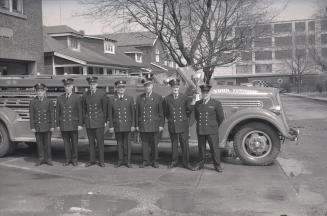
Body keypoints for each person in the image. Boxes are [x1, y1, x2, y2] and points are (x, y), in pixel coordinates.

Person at [163, 78, 195, 171]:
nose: (175, 88)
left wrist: (193, 102)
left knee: (185, 144)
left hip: (183, 125)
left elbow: (188, 110)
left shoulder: (184, 97)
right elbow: (166, 112)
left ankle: (186, 162)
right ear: (171, 88)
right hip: (173, 124)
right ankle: (174, 161)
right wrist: (171, 119)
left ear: (179, 87)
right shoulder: (167, 99)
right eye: (173, 87)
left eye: (177, 87)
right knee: (174, 144)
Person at [193, 84, 224, 172]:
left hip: (212, 130)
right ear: (201, 93)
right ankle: (200, 164)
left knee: (214, 148)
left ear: (210, 93)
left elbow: (220, 117)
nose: (205, 94)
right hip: (201, 129)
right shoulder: (197, 103)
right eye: (203, 93)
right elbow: (196, 116)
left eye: (207, 93)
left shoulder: (216, 103)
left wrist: (214, 125)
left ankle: (217, 165)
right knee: (201, 148)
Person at [136, 78, 164, 168]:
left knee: (154, 144)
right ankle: (145, 161)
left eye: (149, 86)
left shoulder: (158, 97)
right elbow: (137, 113)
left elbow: (161, 113)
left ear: (152, 86)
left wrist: (161, 125)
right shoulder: (140, 97)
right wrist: (137, 125)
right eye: (146, 86)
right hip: (143, 124)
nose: (147, 87)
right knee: (144, 144)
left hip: (154, 124)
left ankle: (155, 161)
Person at [108, 80, 135, 168]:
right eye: (119, 87)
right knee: (119, 144)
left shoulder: (130, 98)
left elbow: (132, 113)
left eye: (122, 87)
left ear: (125, 89)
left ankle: (128, 161)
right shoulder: (112, 99)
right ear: (116, 88)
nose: (121, 89)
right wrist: (111, 126)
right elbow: (110, 114)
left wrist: (133, 125)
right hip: (118, 125)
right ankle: (120, 160)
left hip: (127, 125)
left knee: (127, 144)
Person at [56, 78, 83, 166]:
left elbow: (80, 111)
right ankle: (68, 159)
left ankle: (75, 159)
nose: (67, 88)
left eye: (69, 86)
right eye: (66, 86)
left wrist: (80, 124)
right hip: (64, 124)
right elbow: (58, 112)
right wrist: (58, 124)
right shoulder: (60, 98)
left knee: (75, 143)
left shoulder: (77, 97)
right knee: (66, 143)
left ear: (72, 87)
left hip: (74, 124)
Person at [82, 76, 107, 167]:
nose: (92, 86)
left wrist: (105, 120)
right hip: (89, 122)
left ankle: (101, 161)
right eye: (90, 84)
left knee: (100, 143)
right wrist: (85, 120)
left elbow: (105, 108)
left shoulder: (102, 94)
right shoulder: (85, 95)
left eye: (93, 84)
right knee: (91, 143)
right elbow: (84, 109)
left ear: (96, 84)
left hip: (99, 122)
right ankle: (92, 160)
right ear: (89, 85)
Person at [29, 83, 55, 166]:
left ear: (44, 92)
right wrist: (32, 126)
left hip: (47, 126)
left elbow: (52, 114)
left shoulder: (49, 101)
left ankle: (48, 159)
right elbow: (32, 115)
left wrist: (52, 126)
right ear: (36, 92)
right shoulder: (33, 102)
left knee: (47, 144)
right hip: (38, 126)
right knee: (39, 144)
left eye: (41, 91)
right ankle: (40, 159)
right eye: (38, 91)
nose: (39, 92)